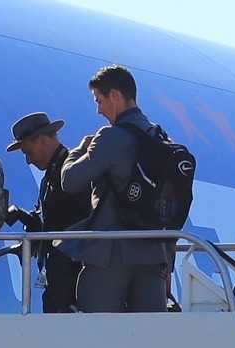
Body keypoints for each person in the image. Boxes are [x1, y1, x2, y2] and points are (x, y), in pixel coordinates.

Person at [57, 65, 176, 314]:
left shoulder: (110, 137)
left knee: (99, 337)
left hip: (110, 255)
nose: (98, 110)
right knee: (149, 339)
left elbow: (70, 181)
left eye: (99, 101)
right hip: (154, 255)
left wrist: (79, 150)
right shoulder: (161, 138)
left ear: (115, 96)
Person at [2, 111, 89, 313]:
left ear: (41, 140)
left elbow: (78, 220)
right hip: (59, 270)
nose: (28, 161)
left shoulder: (71, 171)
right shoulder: (51, 175)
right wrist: (29, 220)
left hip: (72, 272)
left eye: (28, 152)